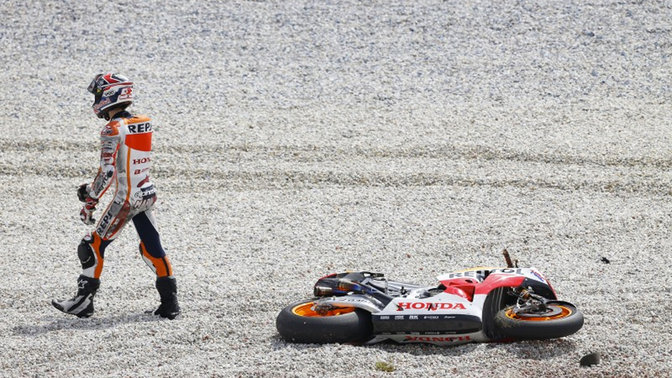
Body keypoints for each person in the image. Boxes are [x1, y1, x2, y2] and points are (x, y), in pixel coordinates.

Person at [52, 73, 180, 319]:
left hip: (126, 200)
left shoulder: (112, 129)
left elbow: (107, 171)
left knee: (91, 245)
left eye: (98, 94)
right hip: (147, 192)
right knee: (152, 248)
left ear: (109, 95)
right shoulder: (145, 121)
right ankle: (170, 305)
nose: (96, 99)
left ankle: (83, 303)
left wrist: (90, 199)